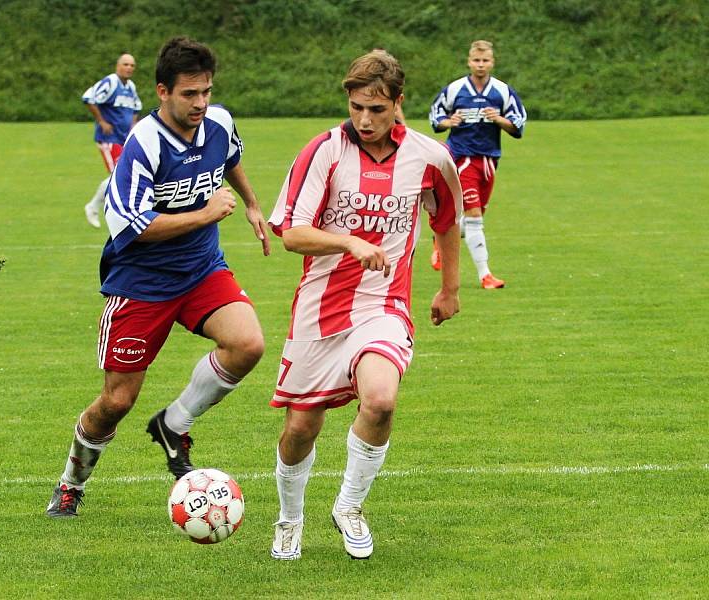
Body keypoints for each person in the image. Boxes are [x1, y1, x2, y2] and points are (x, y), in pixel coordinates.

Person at [46, 36, 270, 518]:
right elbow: (134, 226)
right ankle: (71, 482)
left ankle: (174, 424)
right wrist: (207, 212)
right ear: (162, 91)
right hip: (141, 284)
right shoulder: (143, 143)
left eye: (207, 91)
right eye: (190, 94)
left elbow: (230, 159)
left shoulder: (219, 122)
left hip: (201, 269)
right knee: (116, 401)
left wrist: (251, 204)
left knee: (247, 343)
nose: (201, 103)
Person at [267, 50, 462, 560]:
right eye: (357, 107)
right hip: (320, 309)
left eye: (377, 109)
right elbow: (292, 234)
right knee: (300, 429)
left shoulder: (429, 157)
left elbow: (445, 222)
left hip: (385, 306)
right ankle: (290, 519)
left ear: (399, 103)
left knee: (380, 400)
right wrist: (348, 242)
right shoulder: (323, 152)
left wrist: (450, 289)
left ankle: (349, 505)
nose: (366, 119)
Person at [428, 40, 526, 288]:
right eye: (476, 60)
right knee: (474, 218)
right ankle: (485, 275)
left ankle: (440, 238)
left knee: (472, 217)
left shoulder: (502, 91)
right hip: (462, 158)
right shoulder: (455, 89)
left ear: (492, 62)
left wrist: (499, 119)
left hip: (489, 159)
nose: (480, 65)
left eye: (485, 61)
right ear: (469, 62)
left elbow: (518, 123)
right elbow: (436, 115)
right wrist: (450, 122)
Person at [81, 53, 142, 228]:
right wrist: (102, 121)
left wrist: (132, 127)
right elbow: (88, 98)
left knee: (124, 175)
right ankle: (94, 207)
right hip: (108, 139)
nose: (129, 68)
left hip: (122, 139)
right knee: (119, 175)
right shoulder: (110, 82)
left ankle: (110, 210)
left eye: (132, 65)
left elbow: (136, 107)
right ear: (118, 66)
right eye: (125, 64)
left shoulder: (130, 87)